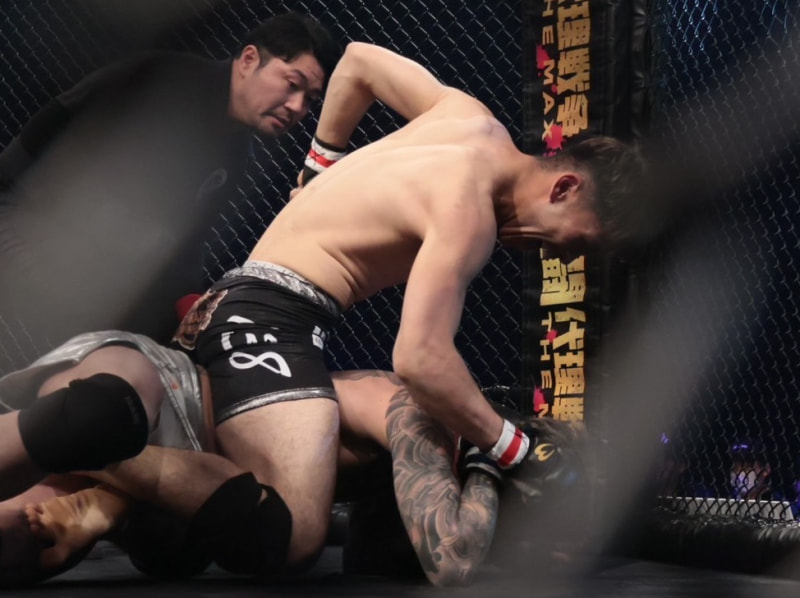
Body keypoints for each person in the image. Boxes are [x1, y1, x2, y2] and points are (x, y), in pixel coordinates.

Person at [167, 40, 646, 578]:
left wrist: (320, 165)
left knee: (386, 429)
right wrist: (515, 448)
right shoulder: (469, 213)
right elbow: (420, 359)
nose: (561, 256)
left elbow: (359, 63)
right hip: (265, 323)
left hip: (259, 312)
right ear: (564, 188)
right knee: (296, 536)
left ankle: (148, 449)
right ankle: (111, 449)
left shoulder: (469, 118)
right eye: (579, 241)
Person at [0, 332, 585, 587]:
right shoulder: (406, 407)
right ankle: (108, 473)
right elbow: (452, 558)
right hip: (163, 401)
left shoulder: (399, 491)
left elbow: (367, 557)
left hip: (189, 486)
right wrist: (486, 456)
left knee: (25, 545)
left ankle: (114, 496)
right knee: (96, 424)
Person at [0, 12, 341, 374]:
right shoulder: (161, 79)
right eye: (292, 84)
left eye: (310, 99)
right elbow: (43, 130)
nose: (297, 107)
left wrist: (194, 309)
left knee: (174, 353)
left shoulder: (236, 153)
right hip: (26, 225)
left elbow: (184, 248)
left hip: (93, 265)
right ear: (248, 60)